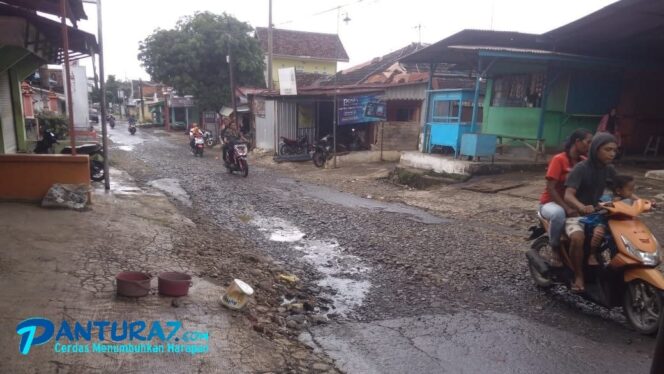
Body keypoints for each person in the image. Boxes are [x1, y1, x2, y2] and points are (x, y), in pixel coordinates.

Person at [564, 133, 618, 293]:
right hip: (577, 215)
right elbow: (568, 195)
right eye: (608, 150)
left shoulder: (610, 169)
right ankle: (578, 275)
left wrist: (642, 201)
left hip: (598, 214)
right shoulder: (581, 168)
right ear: (595, 149)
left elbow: (623, 188)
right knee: (577, 238)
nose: (612, 154)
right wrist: (581, 206)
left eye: (614, 150)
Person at [538, 129, 592, 266]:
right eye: (588, 142)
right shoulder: (559, 159)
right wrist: (566, 207)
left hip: (572, 203)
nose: (590, 146)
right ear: (577, 142)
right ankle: (554, 246)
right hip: (550, 203)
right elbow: (550, 188)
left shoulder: (585, 161)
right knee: (558, 214)